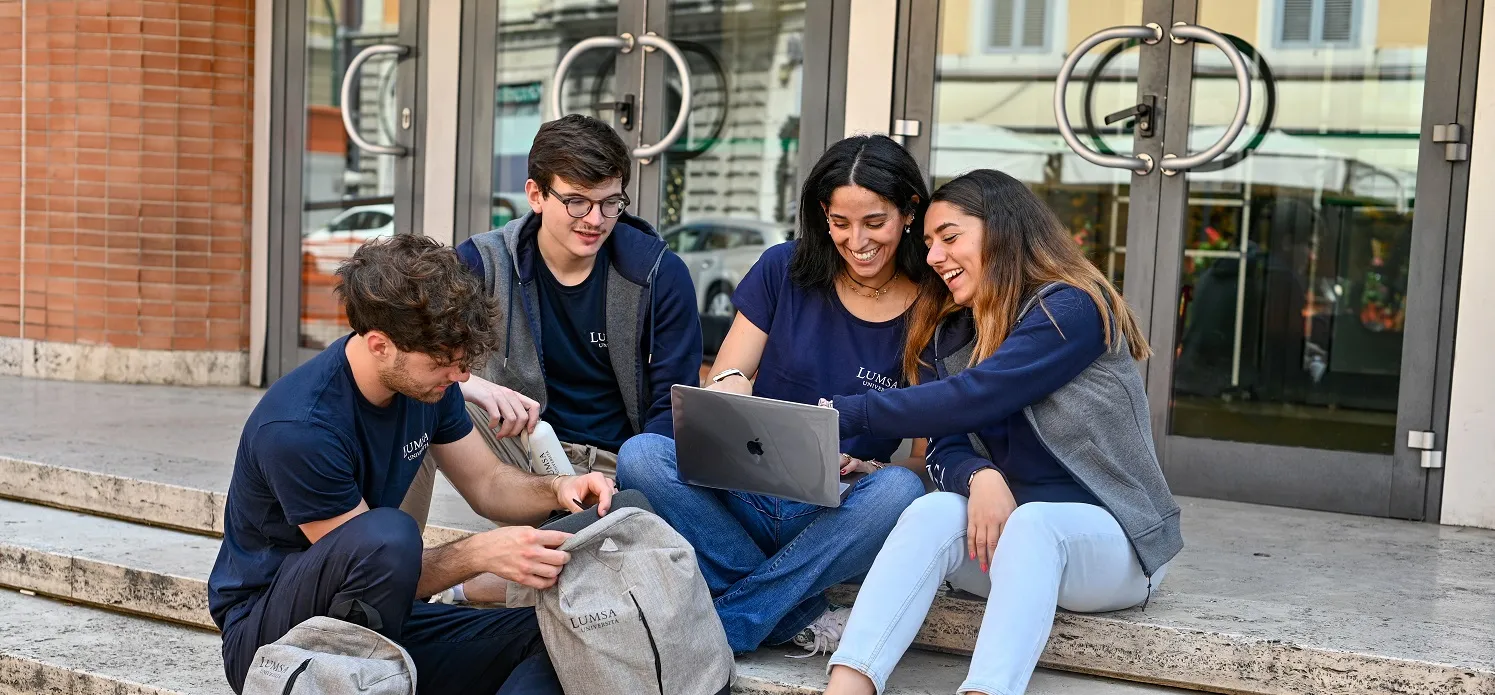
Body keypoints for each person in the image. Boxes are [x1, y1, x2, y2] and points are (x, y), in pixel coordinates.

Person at [819, 169, 1184, 695]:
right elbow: (945, 441)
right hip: (1005, 542)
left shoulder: (1070, 307)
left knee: (1035, 524)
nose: (935, 257)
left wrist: (849, 414)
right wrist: (980, 476)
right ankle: (849, 687)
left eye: (950, 237)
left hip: (1113, 544)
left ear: (1004, 231)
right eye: (928, 243)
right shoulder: (950, 331)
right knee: (929, 508)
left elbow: (980, 394)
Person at [207, 235, 615, 695]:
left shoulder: (427, 387)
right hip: (276, 641)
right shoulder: (301, 427)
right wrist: (482, 554)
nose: (461, 377)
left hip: (378, 616)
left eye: (464, 363)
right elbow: (377, 563)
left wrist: (560, 487)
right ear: (379, 345)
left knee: (553, 637)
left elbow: (487, 481)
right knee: (390, 535)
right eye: (444, 363)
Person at [616, 135, 931, 655]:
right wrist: (739, 399)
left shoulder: (931, 309)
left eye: (875, 223)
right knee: (642, 455)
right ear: (822, 215)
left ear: (909, 212)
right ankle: (796, 612)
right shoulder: (784, 268)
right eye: (840, 223)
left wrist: (868, 469)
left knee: (900, 492)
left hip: (838, 511)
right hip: (745, 491)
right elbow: (726, 374)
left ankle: (730, 621)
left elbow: (924, 461)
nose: (857, 241)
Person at [399, 114, 703, 604]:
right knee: (412, 400)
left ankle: (470, 585)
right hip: (517, 449)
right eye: (576, 201)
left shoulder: (658, 275)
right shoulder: (482, 262)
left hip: (614, 468)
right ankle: (392, 573)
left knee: (612, 575)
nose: (596, 220)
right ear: (536, 195)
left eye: (610, 203)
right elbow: (399, 350)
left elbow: (671, 414)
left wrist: (630, 485)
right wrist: (468, 385)